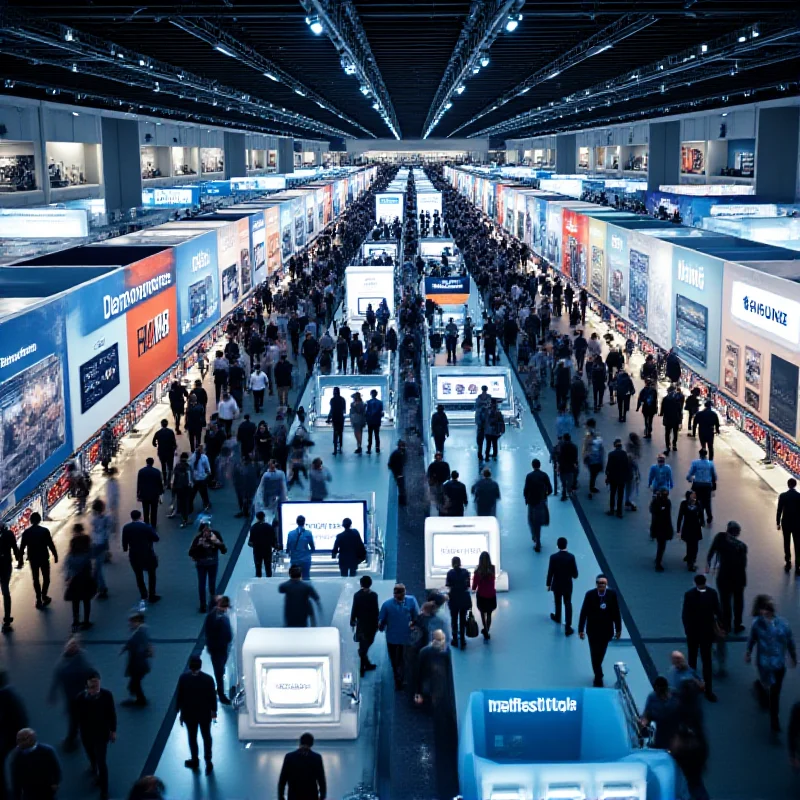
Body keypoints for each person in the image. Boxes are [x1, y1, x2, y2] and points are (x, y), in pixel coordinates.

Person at [746, 595, 797, 734]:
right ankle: (761, 688)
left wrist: (793, 656)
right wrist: (748, 652)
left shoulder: (783, 625)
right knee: (766, 683)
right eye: (763, 610)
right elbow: (752, 639)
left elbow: (790, 642)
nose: (765, 613)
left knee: (775, 692)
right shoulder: (757, 624)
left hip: (778, 665)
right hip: (764, 663)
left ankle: (774, 718)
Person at [75, 672, 116, 800]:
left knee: (102, 762)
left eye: (97, 684)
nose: (95, 688)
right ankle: (93, 768)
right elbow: (77, 716)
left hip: (101, 734)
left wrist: (113, 731)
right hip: (86, 734)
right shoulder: (81, 698)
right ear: (87, 685)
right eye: (92, 686)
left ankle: (104, 790)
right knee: (90, 754)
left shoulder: (107, 695)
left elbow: (112, 714)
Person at [682, 574, 721, 703]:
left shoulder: (689, 595)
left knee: (692, 661)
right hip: (706, 633)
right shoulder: (712, 594)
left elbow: (685, 614)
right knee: (706, 661)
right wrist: (720, 628)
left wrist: (687, 630)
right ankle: (708, 690)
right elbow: (718, 611)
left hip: (693, 633)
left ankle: (693, 688)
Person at [176, 654, 216, 775]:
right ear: (200, 665)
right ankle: (208, 761)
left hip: (189, 714)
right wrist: (214, 713)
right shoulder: (208, 679)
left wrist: (180, 713)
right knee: (206, 737)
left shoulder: (183, 678)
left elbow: (180, 697)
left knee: (192, 737)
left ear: (189, 665)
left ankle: (195, 759)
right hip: (204, 715)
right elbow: (212, 698)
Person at [578, 574, 622, 687]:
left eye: (603, 583)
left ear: (606, 584)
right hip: (592, 630)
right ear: (596, 583)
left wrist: (618, 629)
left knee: (600, 654)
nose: (601, 585)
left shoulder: (612, 595)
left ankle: (598, 672)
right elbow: (584, 612)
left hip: (606, 631)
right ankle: (598, 676)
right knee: (594, 654)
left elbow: (616, 612)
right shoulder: (590, 595)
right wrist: (581, 629)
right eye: (599, 583)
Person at [706, 520, 748, 634]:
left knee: (725, 602)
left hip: (724, 577)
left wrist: (708, 562)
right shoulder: (742, 546)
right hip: (739, 578)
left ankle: (726, 624)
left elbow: (712, 550)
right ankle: (737, 624)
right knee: (738, 602)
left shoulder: (720, 538)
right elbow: (743, 564)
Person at [378, 583, 420, 690]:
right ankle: (398, 678)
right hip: (394, 637)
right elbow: (381, 621)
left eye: (401, 594)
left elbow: (416, 616)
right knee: (396, 659)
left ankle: (399, 678)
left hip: (404, 637)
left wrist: (414, 624)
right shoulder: (387, 605)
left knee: (401, 659)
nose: (399, 597)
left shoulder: (409, 601)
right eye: (397, 595)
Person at [8, 729, 61, 800]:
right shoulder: (16, 756)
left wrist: (55, 783)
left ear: (32, 738)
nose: (20, 743)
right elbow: (15, 777)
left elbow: (56, 768)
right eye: (18, 740)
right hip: (29, 792)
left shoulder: (47, 751)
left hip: (46, 789)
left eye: (23, 739)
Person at [19, 512, 57, 610]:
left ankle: (38, 599)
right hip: (44, 557)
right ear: (39, 520)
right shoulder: (45, 531)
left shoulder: (26, 533)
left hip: (33, 559)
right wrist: (55, 555)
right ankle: (44, 595)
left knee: (36, 579)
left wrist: (20, 561)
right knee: (46, 578)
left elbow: (22, 548)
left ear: (31, 521)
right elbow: (50, 544)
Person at [121, 510, 160, 604]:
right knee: (152, 574)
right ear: (140, 516)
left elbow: (124, 542)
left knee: (138, 575)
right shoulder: (146, 527)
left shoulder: (126, 528)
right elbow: (156, 538)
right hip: (147, 553)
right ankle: (152, 594)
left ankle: (143, 593)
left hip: (134, 554)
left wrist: (126, 548)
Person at [189, 523, 227, 613]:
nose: (206, 533)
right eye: (205, 530)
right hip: (205, 564)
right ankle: (205, 604)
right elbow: (191, 552)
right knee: (204, 584)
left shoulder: (214, 535)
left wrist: (216, 541)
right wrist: (199, 545)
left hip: (208, 563)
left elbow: (224, 550)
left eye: (208, 530)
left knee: (209, 584)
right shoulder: (199, 538)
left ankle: (209, 604)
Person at [64, 526, 95, 632]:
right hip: (86, 579)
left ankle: (75, 621)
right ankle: (86, 621)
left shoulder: (70, 556)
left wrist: (67, 579)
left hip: (74, 581)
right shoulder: (86, 555)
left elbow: (67, 568)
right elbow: (91, 564)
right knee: (86, 601)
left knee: (75, 602)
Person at [278, 733, 326, 800]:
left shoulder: (289, 757)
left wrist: (281, 797)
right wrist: (322, 796)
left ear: (300, 742)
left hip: (294, 796)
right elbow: (321, 780)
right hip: (311, 796)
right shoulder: (317, 758)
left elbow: (282, 779)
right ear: (312, 744)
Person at [547, 537, 578, 636]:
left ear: (557, 545)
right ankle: (568, 627)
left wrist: (548, 584)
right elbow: (575, 574)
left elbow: (550, 572)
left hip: (556, 584)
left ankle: (557, 617)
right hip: (567, 585)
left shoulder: (553, 557)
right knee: (568, 603)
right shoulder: (571, 557)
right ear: (566, 545)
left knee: (557, 601)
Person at [204, 596, 233, 704]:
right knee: (219, 671)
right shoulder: (220, 618)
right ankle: (221, 694)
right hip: (219, 648)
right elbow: (227, 635)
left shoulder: (213, 615)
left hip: (216, 647)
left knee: (219, 670)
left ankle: (220, 690)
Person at [640, 676, 681, 751]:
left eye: (661, 692)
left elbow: (683, 710)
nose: (659, 695)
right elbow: (647, 712)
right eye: (657, 692)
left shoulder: (675, 695)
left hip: (674, 726)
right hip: (660, 728)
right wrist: (644, 722)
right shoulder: (652, 697)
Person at [350, 575, 380, 676]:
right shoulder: (374, 595)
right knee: (367, 644)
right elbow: (376, 610)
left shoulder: (357, 595)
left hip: (361, 624)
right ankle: (363, 667)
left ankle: (365, 665)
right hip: (371, 624)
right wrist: (378, 623)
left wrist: (352, 620)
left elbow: (354, 609)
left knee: (363, 645)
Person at [121, 612, 152, 707]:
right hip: (139, 664)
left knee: (135, 683)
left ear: (137, 622)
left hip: (138, 665)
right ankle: (139, 698)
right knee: (135, 682)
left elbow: (139, 649)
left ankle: (141, 700)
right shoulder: (140, 632)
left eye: (132, 622)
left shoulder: (139, 633)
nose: (130, 624)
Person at [523, 458, 552, 552]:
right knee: (538, 522)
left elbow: (526, 489)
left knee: (531, 520)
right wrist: (545, 495)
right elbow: (550, 489)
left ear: (532, 465)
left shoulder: (529, 476)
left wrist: (526, 498)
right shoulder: (544, 475)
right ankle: (537, 539)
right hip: (541, 501)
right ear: (540, 465)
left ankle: (534, 536)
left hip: (531, 502)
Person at [446, 556, 471, 650]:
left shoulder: (450, 573)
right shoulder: (466, 572)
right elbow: (468, 585)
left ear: (452, 563)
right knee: (463, 619)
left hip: (453, 598)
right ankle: (463, 640)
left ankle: (455, 639)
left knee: (454, 619)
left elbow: (448, 585)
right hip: (464, 598)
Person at [0, 523, 22, 632]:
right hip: (5, 566)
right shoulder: (8, 534)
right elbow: (15, 548)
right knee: (5, 592)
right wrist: (19, 560)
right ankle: (7, 619)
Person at [686, 448, 716, 527]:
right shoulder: (710, 464)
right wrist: (713, 484)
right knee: (707, 502)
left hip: (697, 484)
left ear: (700, 455)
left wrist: (689, 479)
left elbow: (690, 473)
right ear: (706, 455)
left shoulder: (695, 463)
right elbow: (714, 476)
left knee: (698, 502)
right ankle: (709, 517)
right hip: (707, 485)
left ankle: (701, 519)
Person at [677, 491, 705, 572]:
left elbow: (701, 514)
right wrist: (678, 528)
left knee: (695, 545)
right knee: (689, 544)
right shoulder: (684, 504)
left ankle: (692, 558)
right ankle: (690, 562)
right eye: (692, 495)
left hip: (696, 527)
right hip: (687, 526)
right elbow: (680, 516)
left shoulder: (698, 503)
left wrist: (702, 522)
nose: (694, 497)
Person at [777, 478, 800, 574]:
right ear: (795, 485)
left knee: (786, 543)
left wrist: (778, 523)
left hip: (786, 523)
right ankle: (798, 566)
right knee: (798, 545)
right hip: (797, 524)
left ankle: (788, 562)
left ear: (788, 485)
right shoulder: (799, 496)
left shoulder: (783, 496)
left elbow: (779, 510)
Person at [649, 489, 674, 572]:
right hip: (663, 527)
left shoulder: (655, 502)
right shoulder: (667, 502)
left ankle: (658, 559)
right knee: (662, 546)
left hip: (657, 526)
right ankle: (658, 562)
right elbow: (668, 516)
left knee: (660, 545)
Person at [605, 438, 630, 518]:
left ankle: (612, 510)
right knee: (620, 495)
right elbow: (627, 466)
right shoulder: (624, 454)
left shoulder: (611, 454)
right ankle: (619, 512)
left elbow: (609, 467)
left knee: (612, 494)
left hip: (613, 478)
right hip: (621, 478)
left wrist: (607, 477)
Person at [136, 457, 164, 529]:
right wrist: (161, 492)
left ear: (146, 462)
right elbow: (160, 483)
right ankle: (153, 525)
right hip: (154, 494)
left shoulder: (141, 471)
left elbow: (139, 483)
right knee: (154, 510)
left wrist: (138, 494)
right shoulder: (157, 471)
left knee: (146, 510)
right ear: (153, 463)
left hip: (144, 494)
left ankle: (146, 524)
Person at [285, 516, 315, 580]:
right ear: (304, 522)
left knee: (294, 578)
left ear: (296, 522)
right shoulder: (308, 533)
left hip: (295, 559)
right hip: (305, 559)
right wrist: (308, 553)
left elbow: (288, 548)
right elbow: (312, 547)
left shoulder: (290, 534)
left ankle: (295, 589)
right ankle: (306, 589)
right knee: (306, 577)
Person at [249, 511, 277, 578]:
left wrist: (255, 545)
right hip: (267, 551)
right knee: (268, 567)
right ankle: (269, 581)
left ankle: (258, 581)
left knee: (258, 568)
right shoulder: (269, 527)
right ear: (264, 517)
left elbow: (250, 542)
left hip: (257, 551)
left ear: (257, 517)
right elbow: (274, 540)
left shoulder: (253, 527)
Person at [152, 420, 177, 489]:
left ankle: (165, 480)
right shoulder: (171, 432)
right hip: (170, 452)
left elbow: (153, 443)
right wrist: (174, 449)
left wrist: (157, 444)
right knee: (170, 468)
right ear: (167, 424)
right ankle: (169, 482)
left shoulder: (158, 433)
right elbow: (174, 442)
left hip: (161, 452)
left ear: (161, 424)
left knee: (163, 466)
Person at [660, 385, 684, 455]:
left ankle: (668, 446)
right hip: (675, 419)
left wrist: (661, 413)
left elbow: (662, 408)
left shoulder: (665, 399)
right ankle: (674, 445)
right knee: (675, 432)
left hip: (668, 418)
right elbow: (680, 410)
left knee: (667, 433)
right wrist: (680, 420)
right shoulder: (677, 400)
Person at [190, 445, 212, 513]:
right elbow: (207, 468)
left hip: (195, 479)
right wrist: (208, 474)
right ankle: (206, 505)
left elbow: (190, 468)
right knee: (204, 494)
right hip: (202, 478)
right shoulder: (204, 457)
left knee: (192, 494)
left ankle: (190, 507)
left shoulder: (192, 457)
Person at [474, 386, 492, 461]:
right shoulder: (488, 398)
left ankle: (480, 453)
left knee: (481, 440)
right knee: (487, 440)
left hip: (482, 423)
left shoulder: (479, 398)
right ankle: (485, 454)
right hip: (485, 423)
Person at [388, 439, 407, 505]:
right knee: (401, 487)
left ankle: (402, 500)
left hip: (399, 472)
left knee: (401, 487)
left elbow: (390, 464)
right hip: (399, 473)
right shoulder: (399, 454)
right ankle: (402, 501)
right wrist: (398, 473)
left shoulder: (398, 453)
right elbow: (393, 464)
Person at [365, 389, 384, 454]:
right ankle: (377, 448)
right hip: (377, 421)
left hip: (370, 421)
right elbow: (381, 412)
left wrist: (367, 419)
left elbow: (367, 412)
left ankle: (369, 448)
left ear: (371, 394)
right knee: (377, 435)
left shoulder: (368, 402)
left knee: (370, 435)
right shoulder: (380, 402)